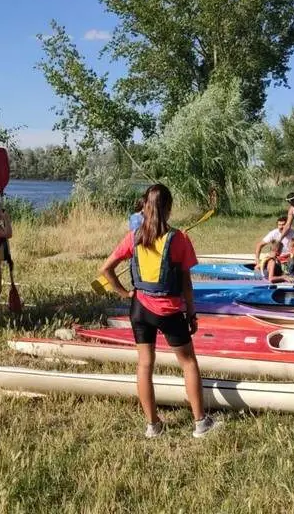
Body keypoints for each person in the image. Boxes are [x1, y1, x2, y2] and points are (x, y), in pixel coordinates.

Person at [99, 184, 218, 439]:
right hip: (169, 310)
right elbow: (186, 282)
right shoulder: (180, 239)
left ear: (146, 207)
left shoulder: (133, 237)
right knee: (188, 363)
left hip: (140, 308)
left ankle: (153, 426)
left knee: (144, 365)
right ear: (169, 208)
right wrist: (192, 313)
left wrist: (125, 293)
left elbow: (106, 269)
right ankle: (200, 423)